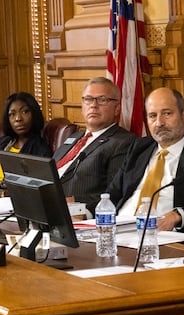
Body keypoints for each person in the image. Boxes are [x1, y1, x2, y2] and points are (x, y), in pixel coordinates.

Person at [107, 87, 184, 233]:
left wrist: (178, 215)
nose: (159, 123)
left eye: (167, 114)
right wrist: (85, 212)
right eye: (152, 116)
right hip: (118, 230)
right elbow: (113, 193)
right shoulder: (139, 148)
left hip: (162, 237)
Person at [54, 77, 135, 214]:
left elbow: (113, 193)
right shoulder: (74, 137)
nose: (93, 105)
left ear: (117, 109)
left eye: (102, 99)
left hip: (74, 213)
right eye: (88, 99)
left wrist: (73, 202)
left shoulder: (124, 142)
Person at [0, 92, 52, 196]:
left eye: (25, 112)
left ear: (34, 114)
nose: (18, 118)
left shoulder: (41, 151)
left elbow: (34, 190)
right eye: (12, 114)